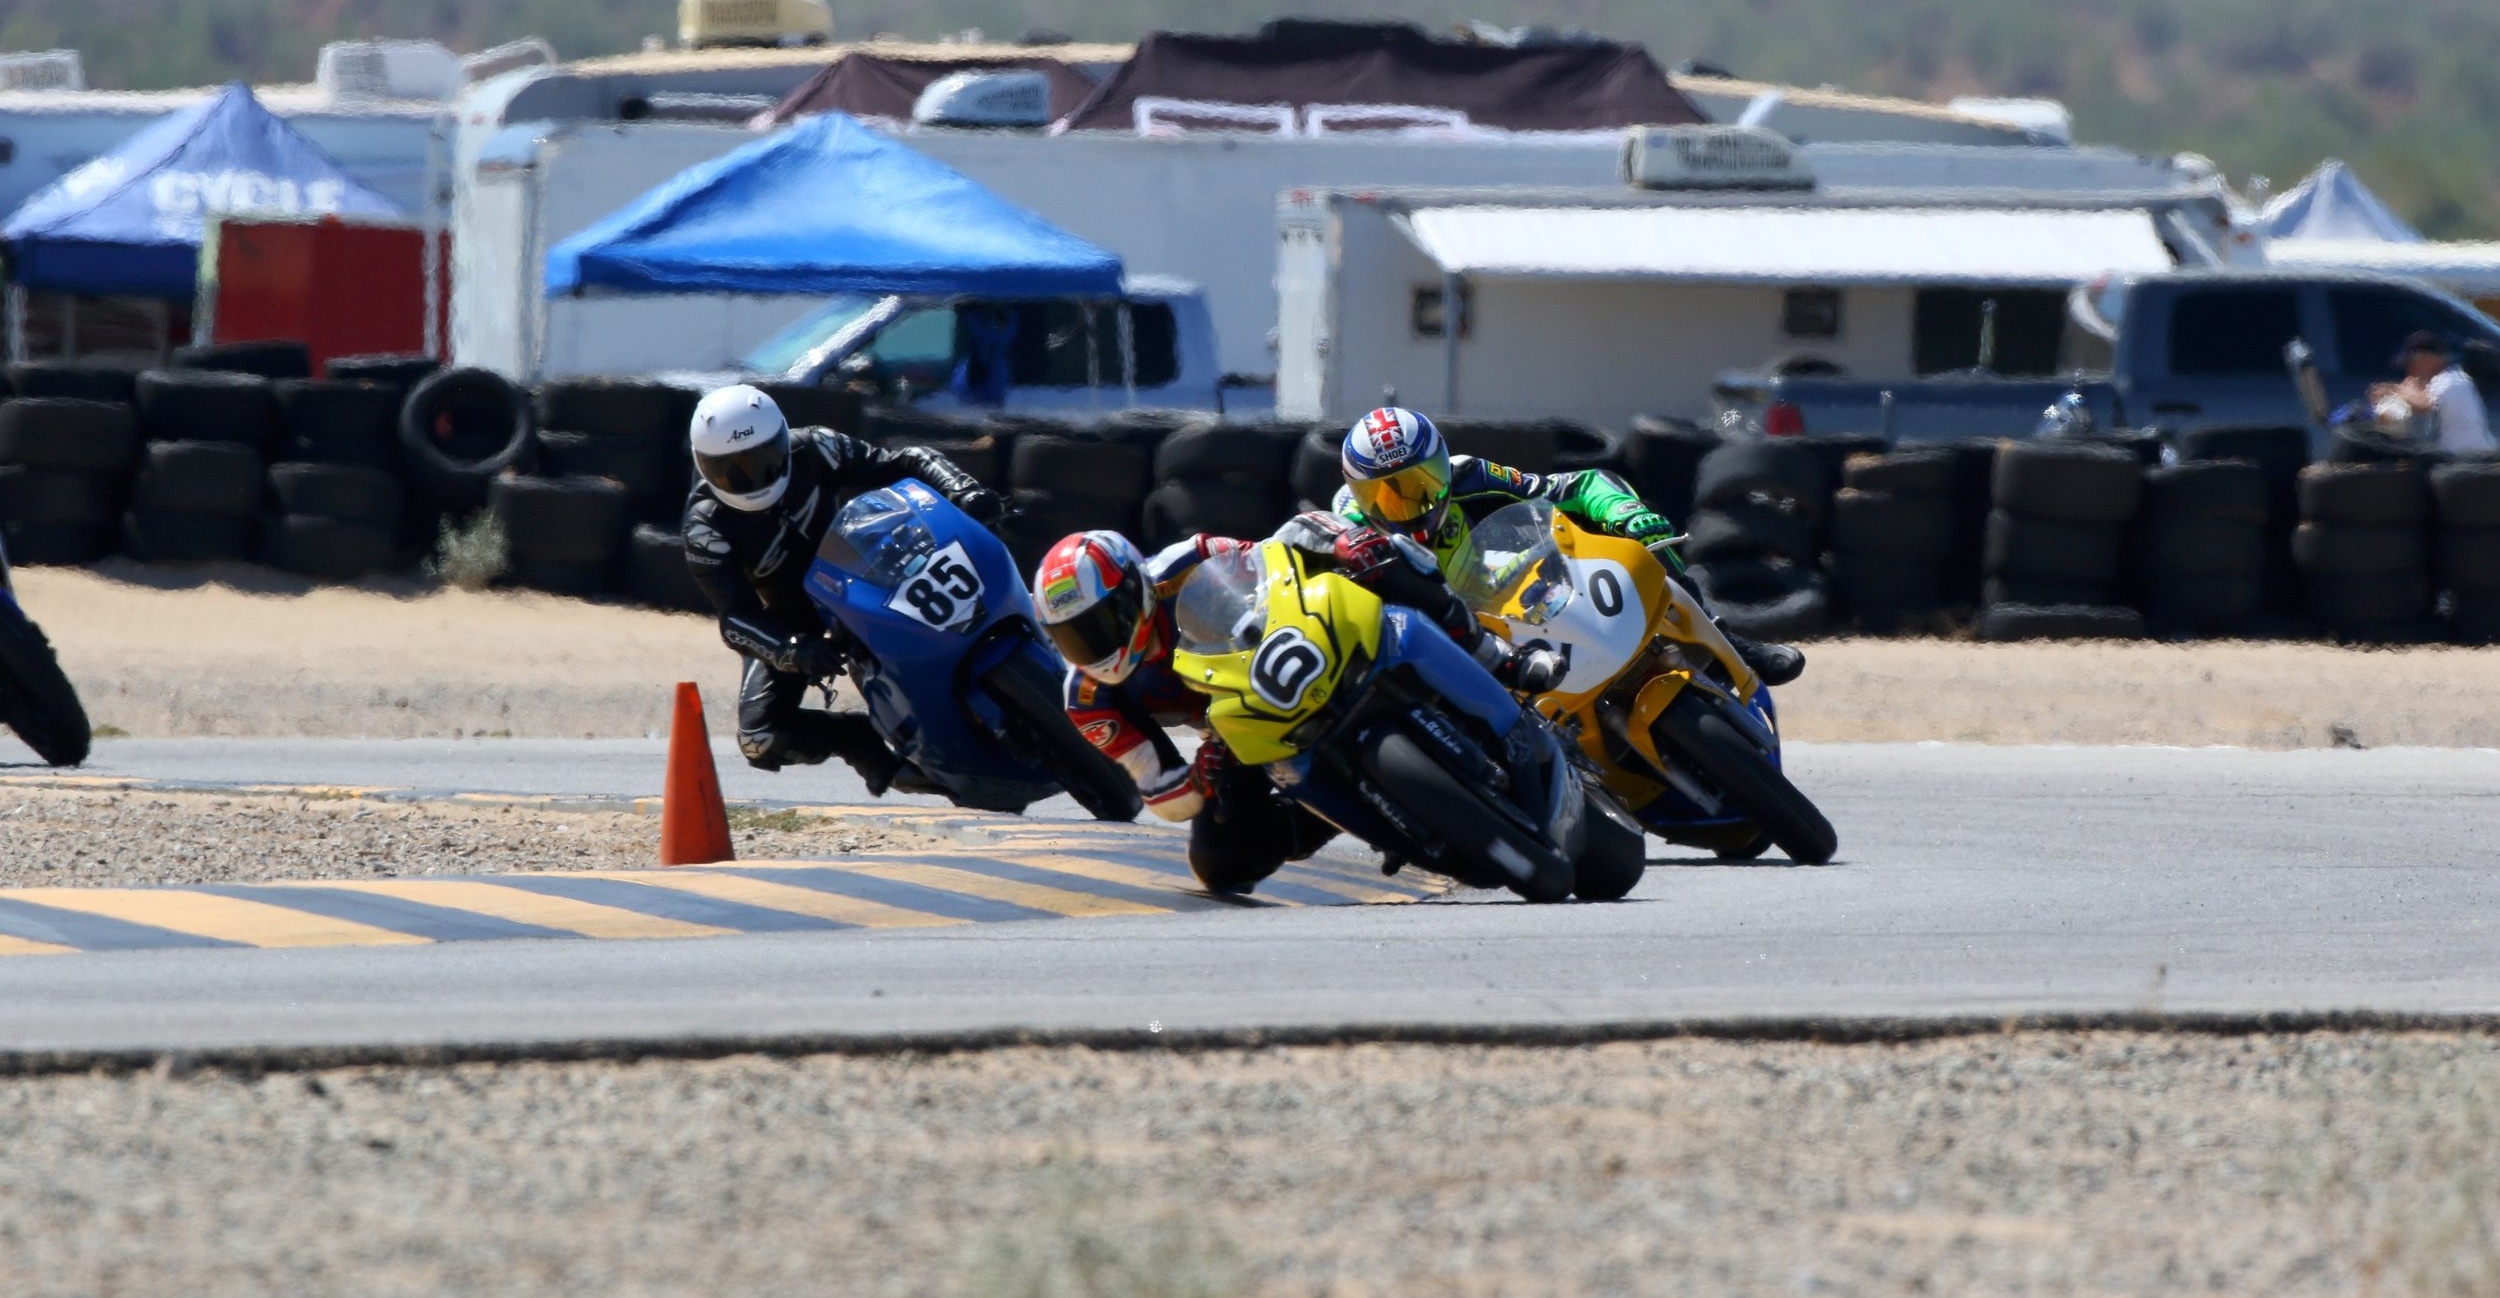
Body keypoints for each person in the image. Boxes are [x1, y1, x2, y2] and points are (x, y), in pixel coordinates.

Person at [1032, 527, 1561, 895]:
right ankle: (1345, 810)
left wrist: (1339, 541)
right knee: (1218, 866)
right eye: (1073, 638)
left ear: (1133, 592)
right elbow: (1158, 791)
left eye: (1100, 624)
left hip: (1295, 643)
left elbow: (1277, 555)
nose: (1092, 648)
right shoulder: (1087, 699)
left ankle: (1498, 660)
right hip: (1238, 734)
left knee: (1387, 556)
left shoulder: (1184, 562)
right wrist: (1200, 775)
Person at [681, 384, 1006, 790]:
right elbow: (735, 619)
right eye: (729, 469)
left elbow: (903, 461)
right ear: (701, 464)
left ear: (783, 439)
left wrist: (963, 490)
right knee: (759, 739)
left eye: (763, 460)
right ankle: (858, 740)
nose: (750, 479)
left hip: (867, 569)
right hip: (794, 614)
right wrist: (792, 649)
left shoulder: (817, 447)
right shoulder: (705, 528)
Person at [1334, 406, 1806, 685]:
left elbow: (1576, 485)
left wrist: (1622, 512)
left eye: (1421, 482)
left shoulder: (1466, 474)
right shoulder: (1345, 529)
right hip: (1448, 637)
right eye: (1387, 495)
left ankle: (1722, 639)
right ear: (1357, 493)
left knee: (1633, 534)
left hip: (1501, 584)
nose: (1411, 504)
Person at [2370, 331, 2496, 455]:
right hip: (2462, 458)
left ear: (2425, 358)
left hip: (2468, 459)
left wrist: (2395, 390)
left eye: (2411, 364)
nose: (2410, 372)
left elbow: (2424, 405)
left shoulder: (2451, 381)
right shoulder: (2447, 380)